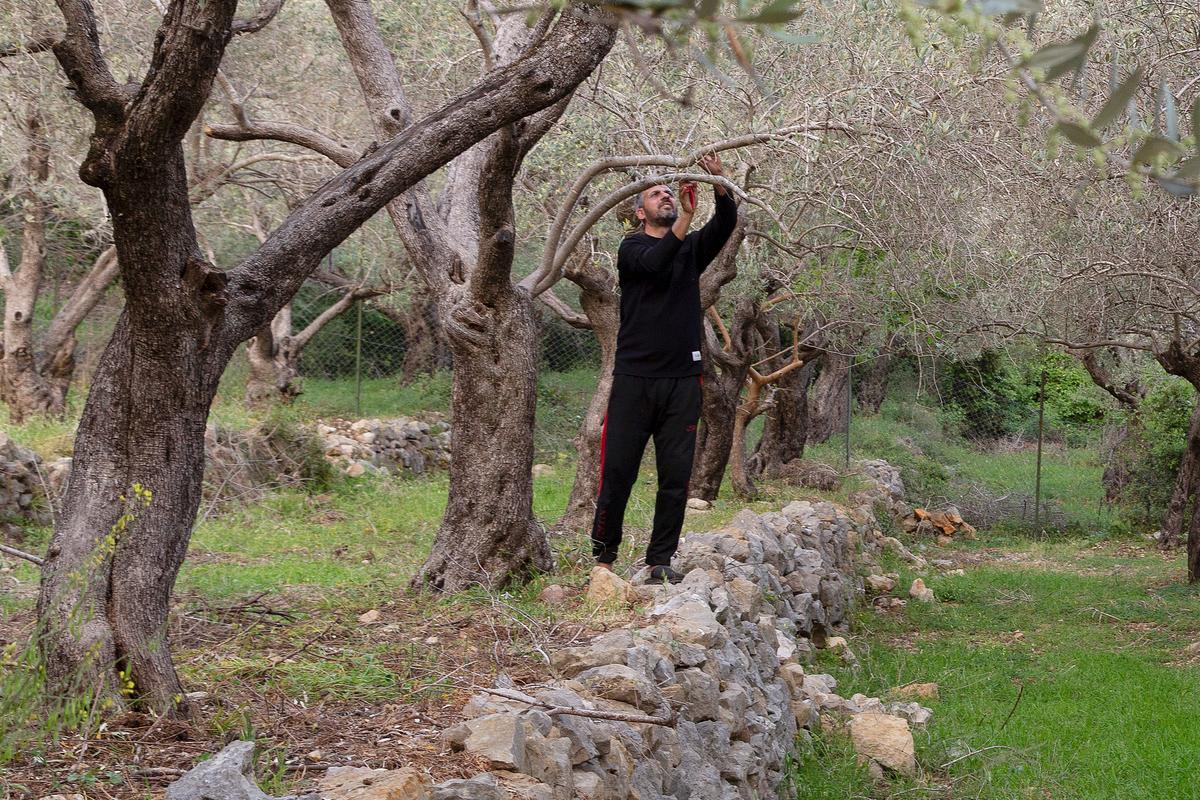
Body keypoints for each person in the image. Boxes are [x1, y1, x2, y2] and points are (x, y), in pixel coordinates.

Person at [590, 152, 738, 584]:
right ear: (640, 212)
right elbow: (655, 265)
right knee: (618, 471)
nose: (666, 196)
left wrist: (719, 183)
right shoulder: (632, 248)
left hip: (681, 381)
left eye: (669, 192)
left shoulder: (689, 249)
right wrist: (685, 222)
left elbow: (726, 225)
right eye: (656, 195)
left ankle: (660, 560)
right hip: (635, 380)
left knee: (675, 477)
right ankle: (604, 558)